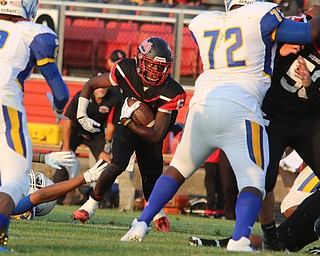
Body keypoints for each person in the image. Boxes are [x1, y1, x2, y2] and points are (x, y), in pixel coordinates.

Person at [120, 1, 320, 252]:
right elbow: (305, 33)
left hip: (204, 103)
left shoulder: (204, 21)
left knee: (177, 169)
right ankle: (240, 240)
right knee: (253, 180)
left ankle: (140, 224)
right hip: (242, 105)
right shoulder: (262, 15)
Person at [72, 36, 186, 232]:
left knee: (152, 177)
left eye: (161, 67)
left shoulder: (172, 90)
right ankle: (90, 205)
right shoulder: (125, 69)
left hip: (150, 131)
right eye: (152, 65)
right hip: (127, 126)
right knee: (117, 164)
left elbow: (157, 135)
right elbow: (91, 84)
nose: (157, 71)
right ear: (140, 60)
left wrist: (127, 121)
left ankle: (157, 213)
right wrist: (81, 113)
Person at [0, 0, 70, 251]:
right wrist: (59, 107)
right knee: (16, 180)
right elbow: (60, 93)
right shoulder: (33, 32)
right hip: (5, 106)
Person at [258, 13, 320, 251]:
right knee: (265, 179)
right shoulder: (297, 34)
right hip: (275, 118)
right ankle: (269, 233)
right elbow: (255, 53)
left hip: (309, 123)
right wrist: (276, 53)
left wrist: (309, 84)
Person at [52, 73, 122, 205]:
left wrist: (106, 148)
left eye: (104, 85)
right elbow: (67, 121)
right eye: (99, 85)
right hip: (76, 131)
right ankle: (55, 199)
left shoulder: (114, 98)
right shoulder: (81, 96)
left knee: (105, 163)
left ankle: (103, 201)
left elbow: (111, 125)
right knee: (63, 161)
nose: (101, 88)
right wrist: (66, 147)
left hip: (95, 134)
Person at [11, 159, 108, 219]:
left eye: (36, 184)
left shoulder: (11, 206)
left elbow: (42, 195)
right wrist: (43, 158)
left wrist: (84, 178)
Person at [203, 149, 224, 218]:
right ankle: (219, 209)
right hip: (218, 161)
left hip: (211, 160)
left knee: (210, 186)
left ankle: (210, 209)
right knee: (219, 186)